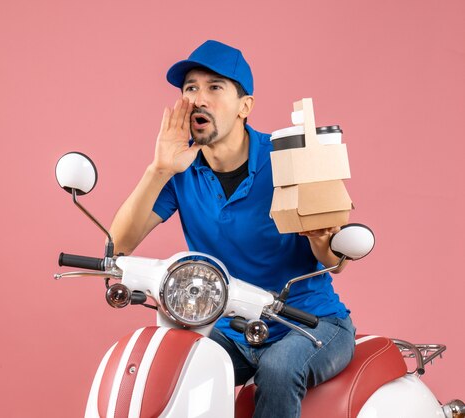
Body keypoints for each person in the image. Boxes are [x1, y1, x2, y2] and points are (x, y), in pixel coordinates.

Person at [109, 40, 355, 418]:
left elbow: (334, 259)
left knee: (278, 368)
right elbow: (119, 244)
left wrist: (326, 241)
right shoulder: (182, 169)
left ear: (245, 106)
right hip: (234, 326)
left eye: (214, 87)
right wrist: (158, 168)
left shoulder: (286, 158)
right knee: (176, 365)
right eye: (190, 88)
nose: (198, 99)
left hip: (313, 323)